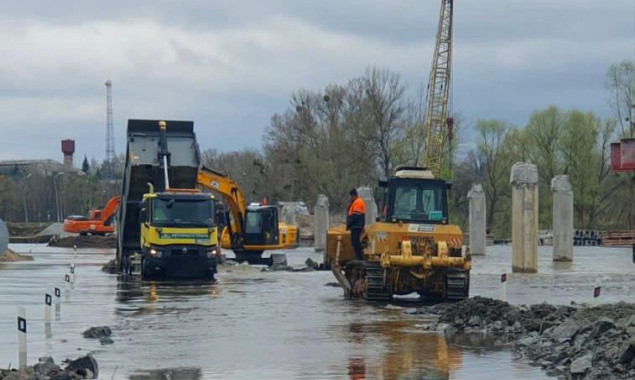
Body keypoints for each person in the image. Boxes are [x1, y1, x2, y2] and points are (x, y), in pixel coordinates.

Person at [346, 188, 366, 260]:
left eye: (351, 196)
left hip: (356, 226)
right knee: (354, 242)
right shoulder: (355, 202)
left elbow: (356, 215)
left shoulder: (358, 202)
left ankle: (358, 257)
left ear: (354, 196)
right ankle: (358, 257)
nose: (350, 198)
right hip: (355, 226)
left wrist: (349, 224)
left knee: (356, 242)